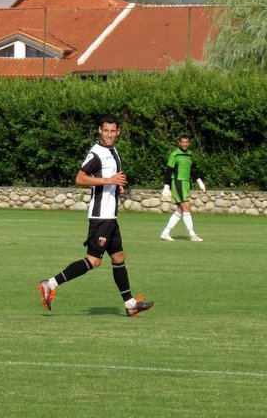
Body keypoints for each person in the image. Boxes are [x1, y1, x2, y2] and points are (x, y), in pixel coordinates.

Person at [37, 115, 154, 317]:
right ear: (99, 130)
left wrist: (117, 185)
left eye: (113, 131)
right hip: (101, 216)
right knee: (94, 260)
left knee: (119, 257)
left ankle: (130, 304)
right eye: (105, 130)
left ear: (118, 132)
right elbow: (80, 178)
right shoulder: (97, 153)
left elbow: (109, 178)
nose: (109, 134)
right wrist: (109, 179)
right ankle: (50, 284)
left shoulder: (113, 150)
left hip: (111, 216)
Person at [160, 135, 205, 242]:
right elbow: (168, 171)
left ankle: (165, 233)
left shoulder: (189, 154)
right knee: (187, 206)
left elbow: (192, 170)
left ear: (188, 143)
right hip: (178, 182)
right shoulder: (174, 154)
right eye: (183, 142)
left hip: (186, 183)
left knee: (180, 210)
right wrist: (166, 186)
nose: (185, 144)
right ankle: (192, 235)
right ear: (179, 143)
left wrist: (199, 180)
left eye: (186, 142)